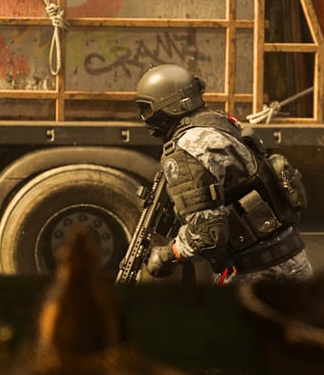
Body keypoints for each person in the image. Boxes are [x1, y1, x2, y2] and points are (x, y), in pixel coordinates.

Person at [134, 64, 313, 285]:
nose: (145, 117)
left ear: (167, 106)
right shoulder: (219, 122)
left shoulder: (184, 149)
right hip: (293, 261)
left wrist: (166, 255)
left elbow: (208, 236)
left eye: (147, 109)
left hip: (256, 273)